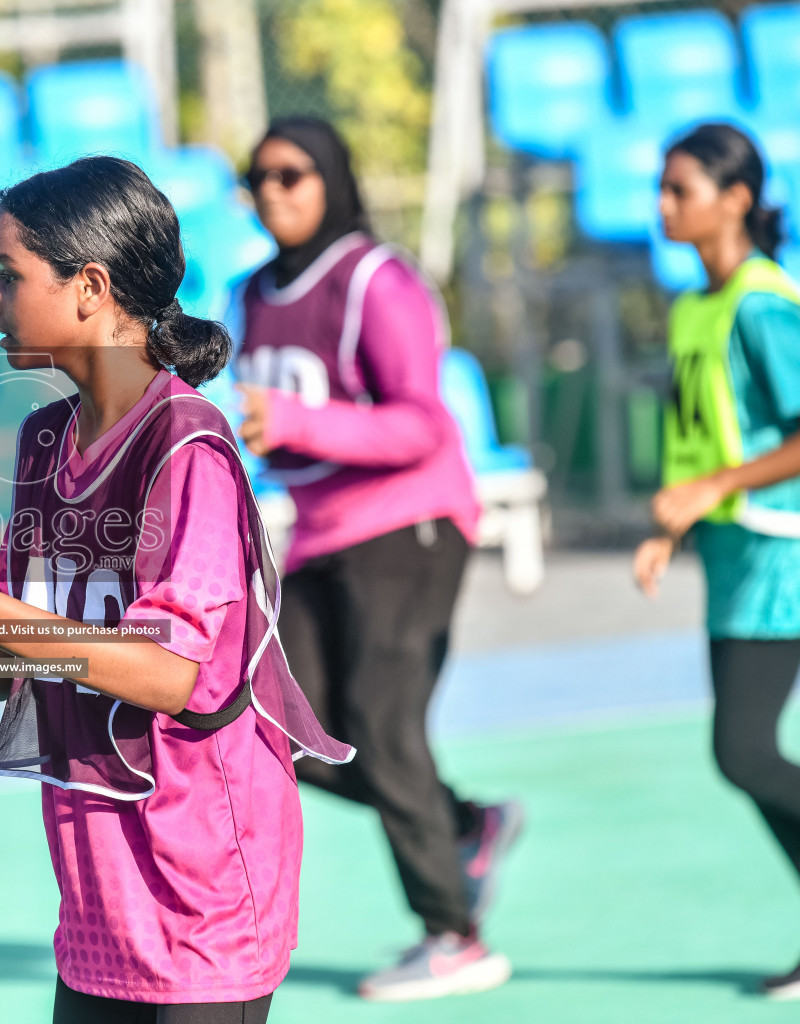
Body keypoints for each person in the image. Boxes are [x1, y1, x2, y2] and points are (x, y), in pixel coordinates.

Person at [0, 156, 353, 1023]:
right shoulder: (44, 439)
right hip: (98, 894)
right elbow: (14, 660)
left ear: (90, 288)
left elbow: (167, 673)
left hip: (199, 883)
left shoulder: (187, 448)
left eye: (6, 275)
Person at [231, 116, 520, 1001]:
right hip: (321, 536)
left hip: (411, 525)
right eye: (260, 176)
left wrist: (297, 423)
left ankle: (454, 933)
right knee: (283, 728)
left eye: (294, 174)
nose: (274, 191)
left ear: (333, 180)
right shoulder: (251, 293)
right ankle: (464, 822)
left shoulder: (374, 279)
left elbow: (425, 423)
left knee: (385, 727)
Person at [634, 122, 800, 1001]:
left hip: (784, 559)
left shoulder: (765, 304)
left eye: (680, 190)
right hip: (734, 557)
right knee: (741, 753)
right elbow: (700, 440)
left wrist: (716, 490)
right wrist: (673, 524)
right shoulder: (698, 304)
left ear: (735, 199)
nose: (662, 206)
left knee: (743, 751)